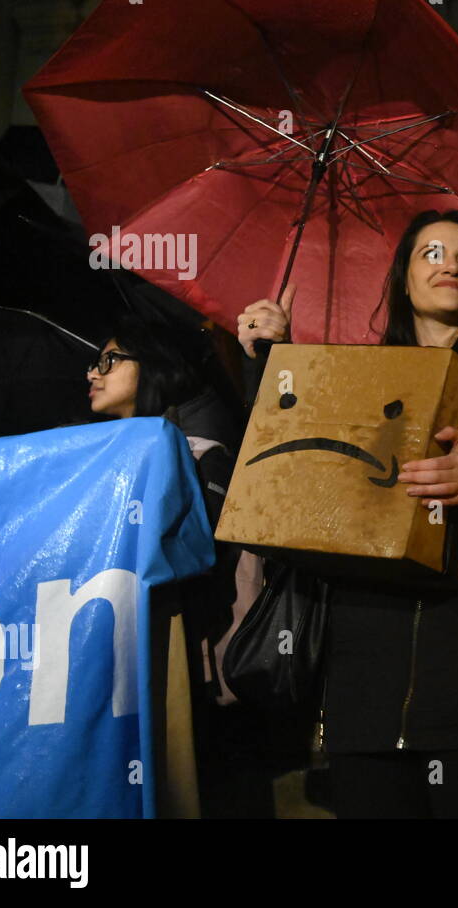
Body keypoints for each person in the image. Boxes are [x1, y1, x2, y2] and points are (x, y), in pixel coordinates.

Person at [236, 209, 458, 818]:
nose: (452, 265)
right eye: (433, 253)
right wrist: (271, 359)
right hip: (365, 703)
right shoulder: (357, 375)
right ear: (404, 278)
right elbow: (289, 487)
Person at [86, 316, 277, 817]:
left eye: (110, 360)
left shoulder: (199, 454)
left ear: (153, 370)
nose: (93, 372)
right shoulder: (99, 461)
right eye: (95, 361)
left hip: (191, 673)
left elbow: (195, 562)